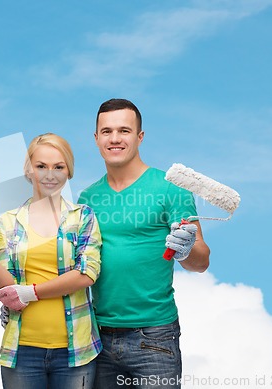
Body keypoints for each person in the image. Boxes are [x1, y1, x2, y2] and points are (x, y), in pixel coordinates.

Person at [78, 98, 210, 389]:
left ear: (140, 137)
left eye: (124, 131)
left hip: (153, 338)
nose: (115, 139)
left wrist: (186, 249)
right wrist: (29, 301)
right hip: (96, 337)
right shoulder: (87, 199)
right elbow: (75, 265)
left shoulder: (171, 188)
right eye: (107, 131)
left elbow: (200, 262)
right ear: (96, 138)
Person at [0, 133, 102, 389]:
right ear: (28, 170)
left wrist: (30, 292)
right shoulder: (8, 222)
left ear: (68, 171)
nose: (50, 174)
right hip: (22, 351)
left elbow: (86, 274)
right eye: (41, 166)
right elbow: (8, 287)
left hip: (76, 352)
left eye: (58, 167)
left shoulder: (83, 217)